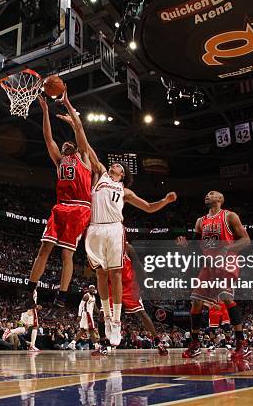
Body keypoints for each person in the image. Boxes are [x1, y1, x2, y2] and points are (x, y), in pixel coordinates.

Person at [60, 91, 176, 346]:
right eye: (117, 165)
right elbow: (85, 145)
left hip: (114, 229)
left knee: (114, 274)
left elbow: (147, 207)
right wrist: (73, 119)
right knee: (100, 276)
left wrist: (164, 202)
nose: (117, 167)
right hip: (94, 228)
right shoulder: (100, 174)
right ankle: (106, 314)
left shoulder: (124, 190)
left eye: (121, 169)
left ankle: (115, 322)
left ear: (123, 176)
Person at [19, 94, 93, 318]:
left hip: (79, 208)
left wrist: (69, 108)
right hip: (60, 207)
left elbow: (79, 128)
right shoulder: (59, 160)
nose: (66, 143)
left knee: (66, 256)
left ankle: (60, 299)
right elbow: (47, 136)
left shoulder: (84, 158)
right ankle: (29, 291)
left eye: (70, 143)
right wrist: (44, 111)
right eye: (64, 144)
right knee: (44, 248)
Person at [178, 190, 251, 359]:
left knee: (226, 296)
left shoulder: (229, 216)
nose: (207, 195)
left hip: (227, 261)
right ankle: (195, 344)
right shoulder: (200, 221)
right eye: (206, 194)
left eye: (211, 193)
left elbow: (246, 240)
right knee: (196, 301)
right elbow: (196, 246)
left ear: (220, 199)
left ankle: (242, 343)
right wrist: (185, 246)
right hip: (209, 265)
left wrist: (228, 247)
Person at [68, 285, 101, 352]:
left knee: (83, 330)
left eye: (93, 288)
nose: (92, 289)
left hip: (90, 314)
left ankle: (72, 343)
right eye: (91, 288)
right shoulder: (86, 296)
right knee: (91, 329)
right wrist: (79, 315)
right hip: (86, 314)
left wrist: (100, 313)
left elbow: (95, 308)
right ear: (89, 289)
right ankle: (96, 345)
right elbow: (80, 305)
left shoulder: (94, 297)